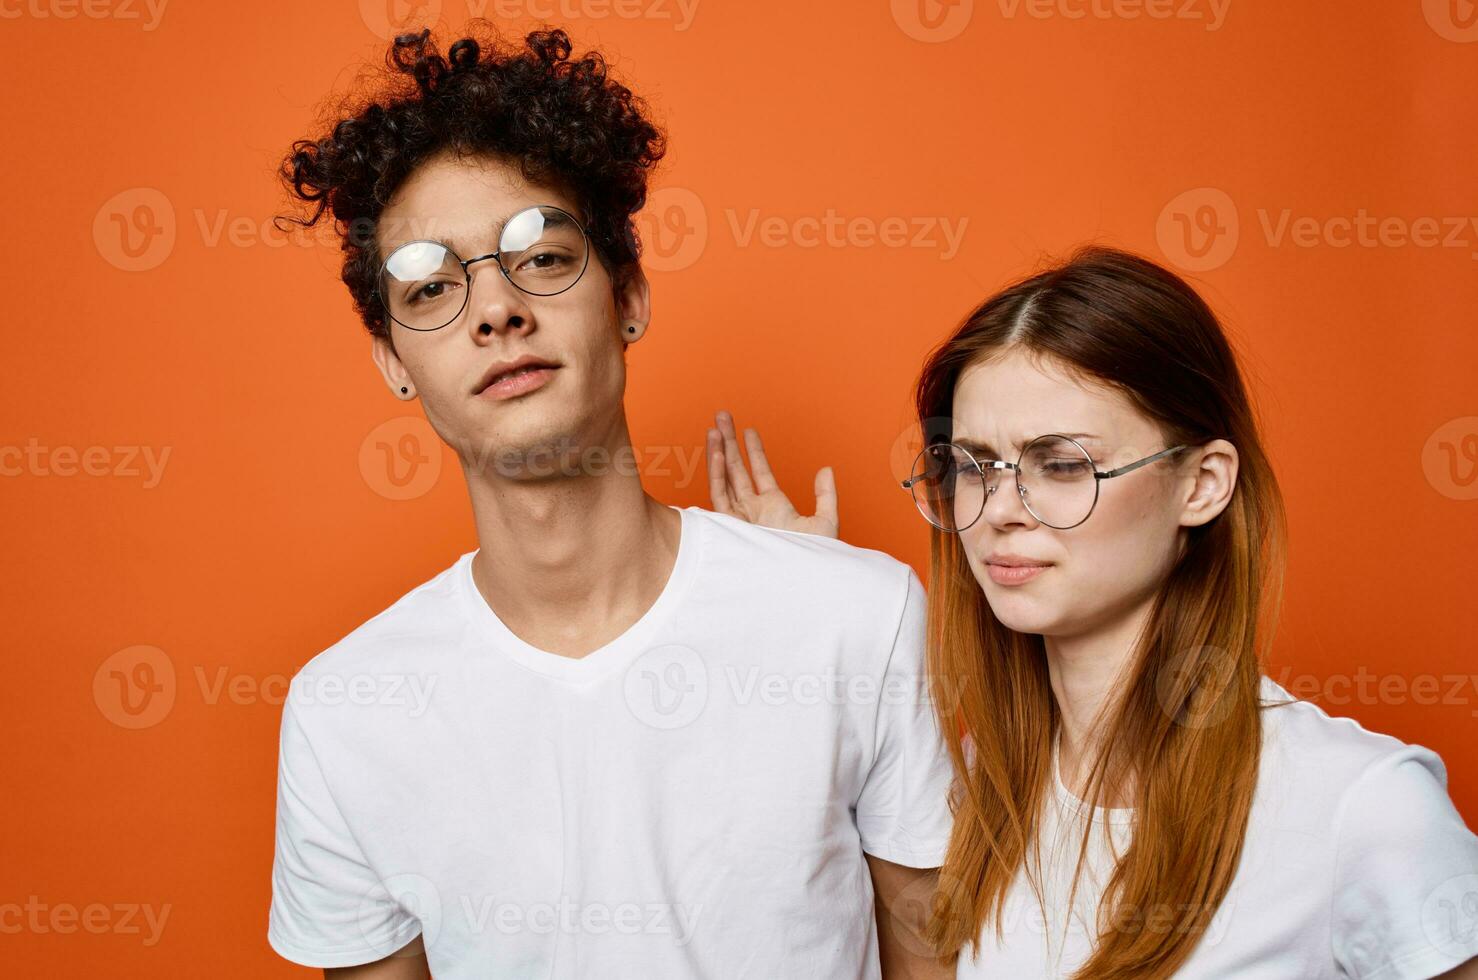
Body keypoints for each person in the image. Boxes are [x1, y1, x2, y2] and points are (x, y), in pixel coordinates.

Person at [266, 25, 955, 980]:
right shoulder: (344, 715)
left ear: (626, 293)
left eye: (541, 258)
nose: (497, 309)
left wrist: (795, 606)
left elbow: (935, 957)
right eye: (430, 286)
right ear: (392, 358)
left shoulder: (859, 620)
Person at [707, 246, 1478, 978]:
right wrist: (809, 609)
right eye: (973, 466)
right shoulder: (979, 794)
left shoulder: (1363, 807)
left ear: (1202, 484)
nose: (1002, 508)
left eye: (1063, 464)